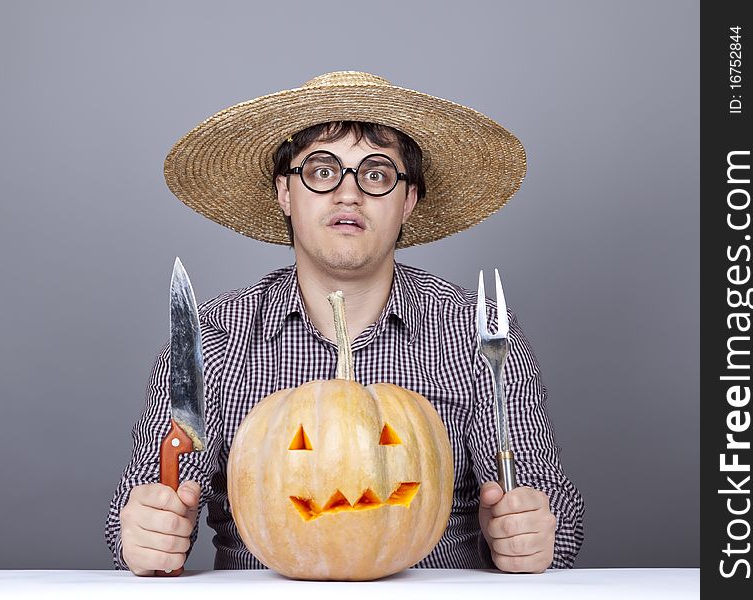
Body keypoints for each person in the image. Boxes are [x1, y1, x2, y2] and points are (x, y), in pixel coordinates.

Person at [105, 71, 584, 576]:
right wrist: (145, 531)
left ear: (409, 201)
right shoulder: (216, 337)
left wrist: (531, 532)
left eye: (376, 174)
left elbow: (556, 519)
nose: (349, 195)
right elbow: (136, 516)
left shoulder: (473, 329)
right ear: (286, 194)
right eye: (321, 171)